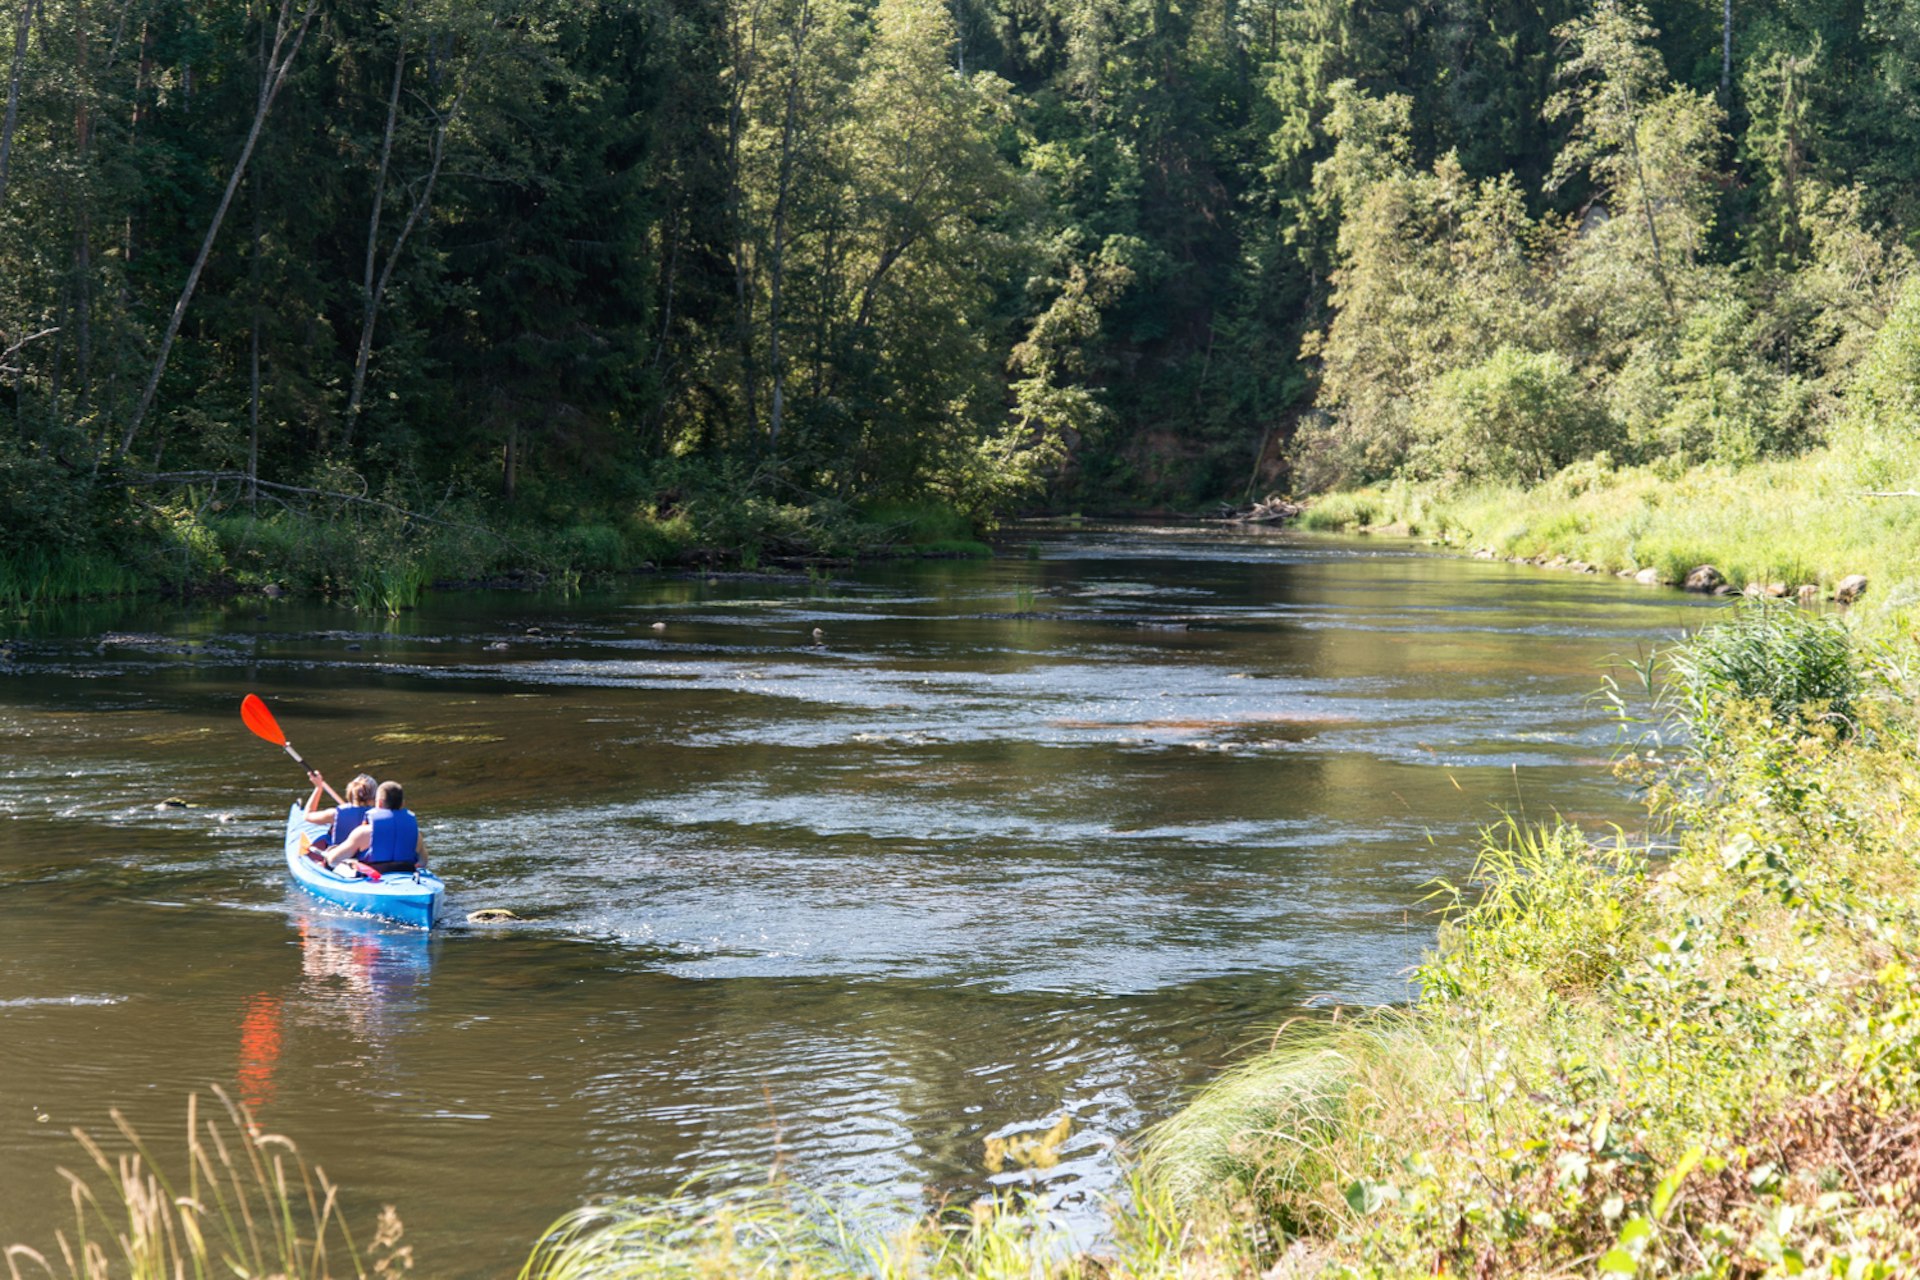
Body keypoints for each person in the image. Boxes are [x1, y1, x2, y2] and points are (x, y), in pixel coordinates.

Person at [321, 781, 428, 879]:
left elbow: (333, 861)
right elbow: (423, 862)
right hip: (406, 877)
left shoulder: (363, 833)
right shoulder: (415, 835)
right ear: (402, 804)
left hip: (374, 879)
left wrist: (330, 852)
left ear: (380, 803)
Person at [303, 771, 377, 850]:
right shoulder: (379, 815)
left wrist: (318, 788)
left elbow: (307, 816)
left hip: (339, 856)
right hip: (367, 857)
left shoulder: (334, 814)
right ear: (375, 796)